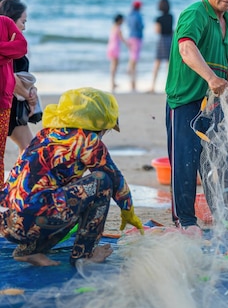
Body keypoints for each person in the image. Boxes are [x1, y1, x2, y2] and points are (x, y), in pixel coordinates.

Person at [0, 87, 144, 267]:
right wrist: (128, 210)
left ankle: (28, 250)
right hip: (33, 219)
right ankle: (84, 255)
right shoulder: (86, 140)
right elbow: (114, 179)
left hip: (7, 222)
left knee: (71, 191)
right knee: (102, 182)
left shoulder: (45, 134)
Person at [165, 0, 228, 231]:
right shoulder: (195, 13)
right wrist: (211, 79)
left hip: (215, 104)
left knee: (219, 161)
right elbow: (186, 48)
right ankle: (185, 220)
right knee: (185, 161)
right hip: (187, 99)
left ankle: (225, 215)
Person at [0, 0, 41, 153]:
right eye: (23, 22)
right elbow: (12, 77)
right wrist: (29, 96)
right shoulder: (10, 49)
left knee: (27, 147)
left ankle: (19, 177)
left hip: (11, 106)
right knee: (29, 148)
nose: (24, 27)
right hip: (10, 108)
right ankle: (21, 177)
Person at [0, 14, 27, 184]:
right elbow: (13, 49)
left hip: (3, 101)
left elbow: (21, 47)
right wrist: (6, 50)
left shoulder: (5, 22)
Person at [149, 0, 174, 93]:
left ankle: (153, 86)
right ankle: (170, 86)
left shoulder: (158, 19)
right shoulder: (171, 16)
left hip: (162, 39)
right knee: (169, 65)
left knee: (157, 63)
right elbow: (171, 29)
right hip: (170, 39)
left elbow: (157, 31)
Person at [107, 13, 128, 93]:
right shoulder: (118, 28)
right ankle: (112, 82)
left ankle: (113, 82)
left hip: (110, 47)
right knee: (115, 65)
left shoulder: (112, 27)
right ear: (119, 20)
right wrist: (128, 44)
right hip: (115, 48)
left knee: (113, 64)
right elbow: (122, 39)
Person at [127, 0, 144, 91]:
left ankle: (130, 69)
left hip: (130, 36)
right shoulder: (138, 15)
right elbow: (141, 26)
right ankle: (132, 70)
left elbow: (128, 25)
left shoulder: (130, 15)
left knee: (132, 54)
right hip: (137, 36)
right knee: (135, 56)